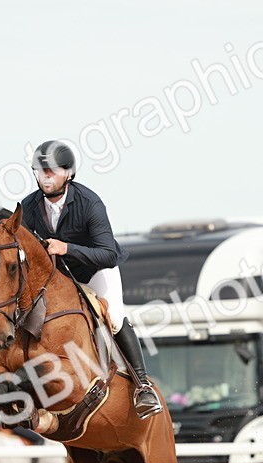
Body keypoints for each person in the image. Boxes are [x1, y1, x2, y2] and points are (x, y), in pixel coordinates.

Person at [20, 139, 162, 419]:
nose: (46, 176)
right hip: (58, 278)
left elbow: (108, 254)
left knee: (115, 317)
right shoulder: (29, 206)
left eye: (52, 171)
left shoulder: (89, 203)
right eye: (41, 171)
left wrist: (67, 248)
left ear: (68, 173)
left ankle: (142, 385)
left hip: (95, 271)